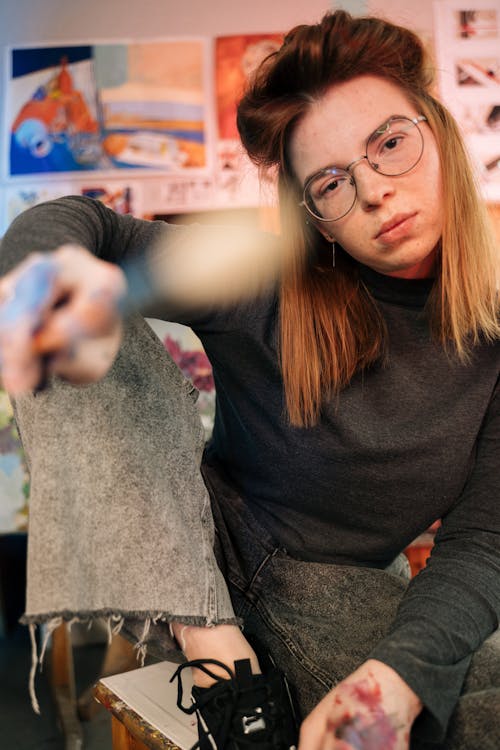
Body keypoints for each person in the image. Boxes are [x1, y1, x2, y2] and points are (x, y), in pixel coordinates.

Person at [0, 10, 499, 750]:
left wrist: (398, 676)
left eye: (390, 144)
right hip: (226, 561)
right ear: (317, 218)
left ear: (439, 133)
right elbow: (87, 223)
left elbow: (483, 541)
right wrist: (41, 275)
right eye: (331, 183)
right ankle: (214, 651)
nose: (373, 194)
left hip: (359, 577)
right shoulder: (268, 288)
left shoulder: (490, 337)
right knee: (82, 306)